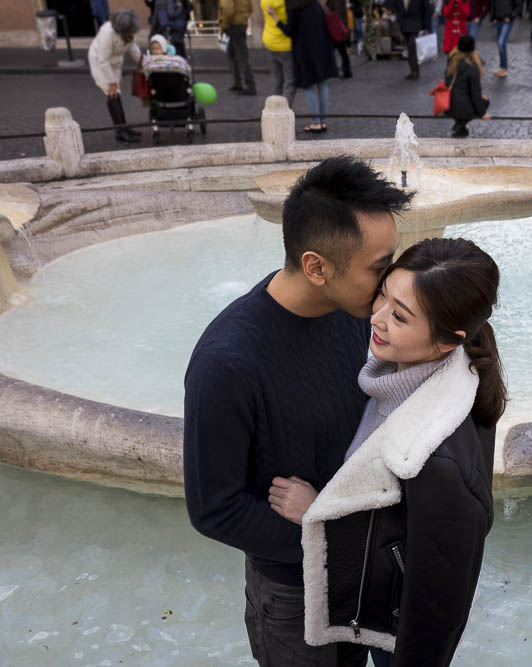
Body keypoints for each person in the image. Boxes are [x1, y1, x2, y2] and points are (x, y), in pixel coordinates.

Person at [184, 156, 412, 667]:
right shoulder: (227, 363)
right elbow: (213, 508)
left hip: (360, 571)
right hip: (294, 594)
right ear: (316, 266)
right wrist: (329, 539)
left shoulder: (354, 312)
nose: (390, 282)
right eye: (379, 267)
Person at [269, 236, 503, 667]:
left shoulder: (437, 459)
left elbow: (437, 605)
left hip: (390, 626)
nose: (375, 317)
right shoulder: (428, 370)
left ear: (445, 341)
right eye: (383, 293)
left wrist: (317, 510)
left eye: (399, 315)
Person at [270, 0, 338, 132]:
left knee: (308, 86)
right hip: (322, 47)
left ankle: (315, 123)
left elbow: (289, 31)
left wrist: (275, 17)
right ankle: (323, 121)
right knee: (322, 84)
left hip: (304, 51)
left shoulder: (293, 6)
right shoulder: (315, 3)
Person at [89, 10, 143, 143]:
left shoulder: (128, 32)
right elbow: (103, 60)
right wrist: (112, 83)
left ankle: (124, 128)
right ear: (123, 30)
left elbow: (133, 49)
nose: (132, 35)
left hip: (114, 63)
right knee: (112, 94)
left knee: (117, 94)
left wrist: (146, 62)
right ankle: (120, 132)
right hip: (100, 62)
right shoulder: (107, 33)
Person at [445, 34, 491, 136]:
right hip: (462, 108)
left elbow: (448, 83)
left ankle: (460, 125)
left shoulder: (451, 60)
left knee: (462, 102)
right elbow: (475, 94)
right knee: (486, 101)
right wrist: (483, 113)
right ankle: (460, 125)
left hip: (448, 105)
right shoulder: (472, 67)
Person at [220, 0, 258, 94]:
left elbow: (228, 10)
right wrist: (244, 18)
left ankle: (250, 86)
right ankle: (238, 83)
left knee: (241, 57)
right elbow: (250, 8)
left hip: (233, 26)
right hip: (240, 24)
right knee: (232, 54)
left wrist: (224, 26)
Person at [387, 0, 430, 80]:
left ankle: (415, 71)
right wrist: (394, 13)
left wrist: (427, 27)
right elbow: (391, 4)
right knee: (409, 49)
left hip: (416, 25)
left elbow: (426, 10)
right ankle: (412, 70)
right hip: (404, 25)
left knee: (411, 46)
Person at [262, 0, 295, 103]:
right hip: (285, 45)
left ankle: (275, 108)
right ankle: (285, 111)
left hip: (270, 42)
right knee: (290, 82)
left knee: (277, 79)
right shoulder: (288, 4)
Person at [491, 0, 521, 76]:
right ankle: (503, 68)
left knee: (501, 43)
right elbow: (492, 5)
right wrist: (492, 18)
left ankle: (504, 68)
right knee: (500, 44)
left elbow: (519, 5)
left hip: (507, 21)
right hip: (497, 21)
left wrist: (511, 16)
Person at [327, 0, 353, 77]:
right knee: (342, 51)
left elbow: (330, 12)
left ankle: (335, 71)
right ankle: (346, 71)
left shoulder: (334, 1)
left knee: (332, 51)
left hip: (336, 30)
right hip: (341, 28)